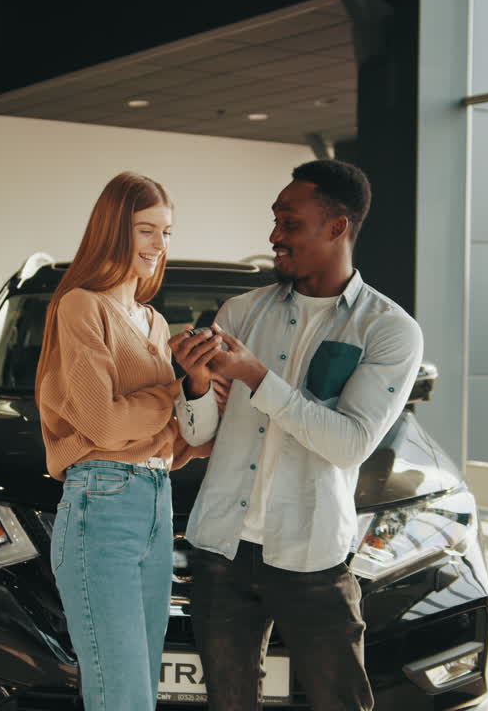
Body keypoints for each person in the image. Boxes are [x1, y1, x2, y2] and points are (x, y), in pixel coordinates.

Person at [183, 159, 423, 711]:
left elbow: (348, 444)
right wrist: (194, 387)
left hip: (312, 551)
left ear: (337, 228)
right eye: (275, 221)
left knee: (340, 702)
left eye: (289, 223)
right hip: (221, 544)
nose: (274, 236)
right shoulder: (240, 313)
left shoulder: (389, 331)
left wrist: (255, 377)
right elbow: (199, 435)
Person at [35, 171, 223, 710]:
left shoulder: (155, 322)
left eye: (167, 232)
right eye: (146, 230)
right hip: (102, 502)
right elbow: (106, 426)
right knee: (121, 694)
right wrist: (173, 388)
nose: (159, 246)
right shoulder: (81, 306)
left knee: (141, 686)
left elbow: (177, 437)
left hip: (155, 503)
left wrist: (201, 394)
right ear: (114, 230)